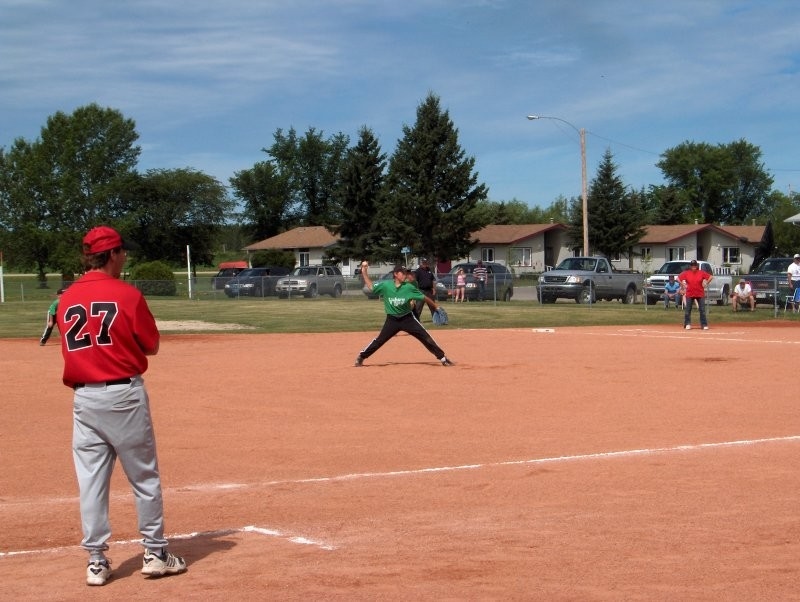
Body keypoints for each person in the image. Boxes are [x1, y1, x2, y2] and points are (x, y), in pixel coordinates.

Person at [56, 225, 187, 586]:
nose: (124, 256)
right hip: (123, 395)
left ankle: (96, 561)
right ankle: (156, 553)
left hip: (84, 398)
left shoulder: (66, 297)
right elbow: (150, 345)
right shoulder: (127, 294)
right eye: (122, 252)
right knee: (144, 476)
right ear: (111, 254)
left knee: (91, 481)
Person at [354, 262, 454, 367]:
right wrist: (364, 272)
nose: (405, 275)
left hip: (408, 319)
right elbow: (371, 286)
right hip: (392, 320)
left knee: (425, 337)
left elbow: (424, 297)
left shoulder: (408, 287)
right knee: (379, 340)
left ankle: (443, 358)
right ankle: (361, 357)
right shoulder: (386, 285)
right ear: (396, 274)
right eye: (402, 273)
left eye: (405, 273)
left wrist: (436, 306)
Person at [678, 259, 713, 330]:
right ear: (690, 266)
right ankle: (687, 324)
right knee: (688, 309)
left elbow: (710, 277)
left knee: (702, 310)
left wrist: (706, 283)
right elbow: (678, 278)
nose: (693, 267)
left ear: (696, 266)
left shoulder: (701, 272)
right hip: (690, 293)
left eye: (695, 265)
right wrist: (683, 285)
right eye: (692, 265)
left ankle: (704, 324)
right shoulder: (686, 273)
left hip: (700, 293)